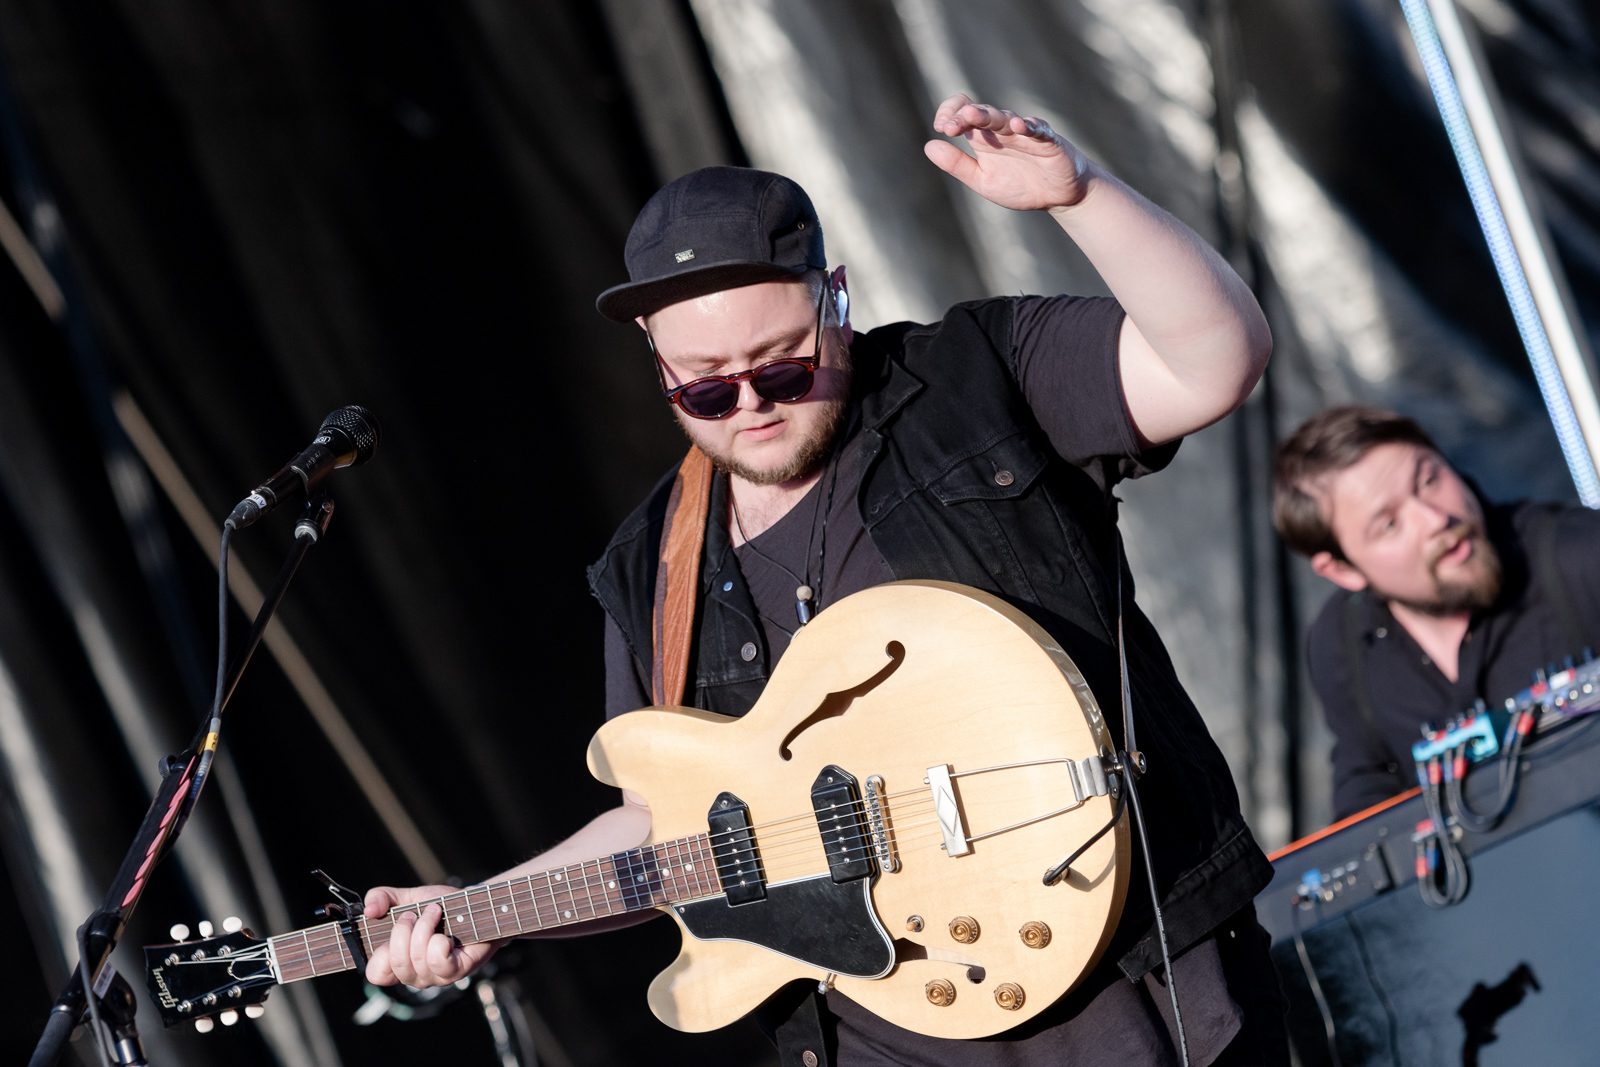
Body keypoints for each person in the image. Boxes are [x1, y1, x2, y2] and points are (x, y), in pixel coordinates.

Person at [364, 94, 1283, 1066]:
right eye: (706, 386)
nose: (751, 403)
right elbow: (660, 818)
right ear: (656, 358)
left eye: (783, 366)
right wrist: (484, 906)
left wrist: (1080, 196)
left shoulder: (976, 376)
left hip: (1126, 992)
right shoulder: (651, 566)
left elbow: (1216, 359)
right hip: (878, 1034)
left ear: (832, 295)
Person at [1275, 405, 1600, 820]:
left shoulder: (1577, 556)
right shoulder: (1341, 642)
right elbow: (1367, 795)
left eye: (1429, 480)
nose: (1435, 519)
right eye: (1389, 524)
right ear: (1341, 569)